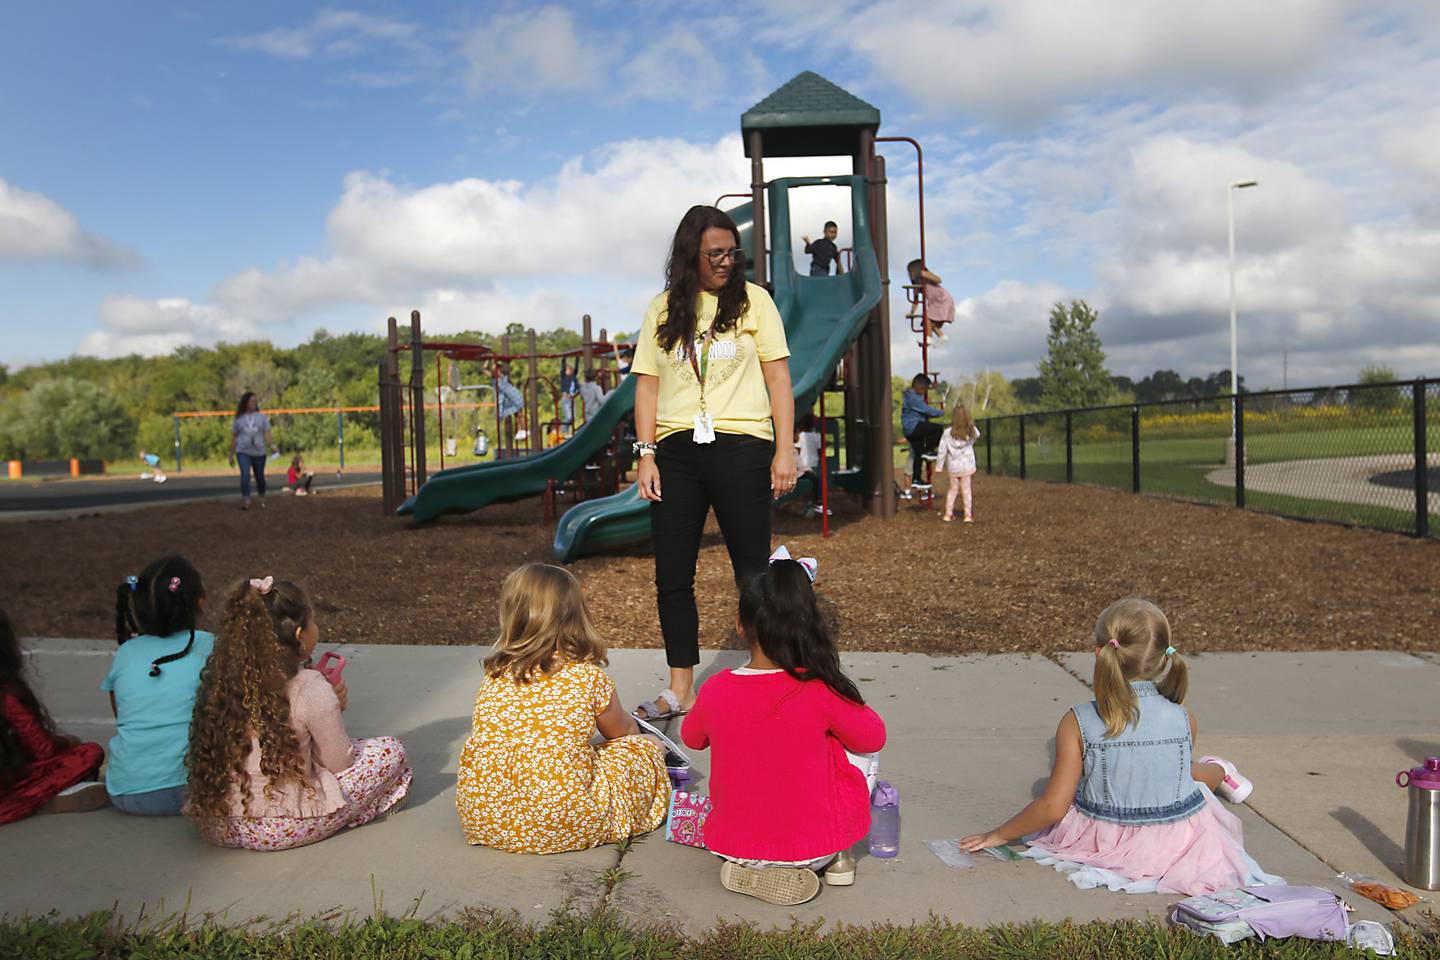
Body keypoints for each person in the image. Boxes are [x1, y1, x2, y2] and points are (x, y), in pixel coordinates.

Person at [959, 598, 1274, 896]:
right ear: (1165, 656)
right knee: (1186, 776)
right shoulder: (1183, 717)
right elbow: (1166, 777)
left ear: (1099, 652)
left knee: (1180, 774)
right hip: (1176, 839)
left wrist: (999, 834)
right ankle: (1220, 771)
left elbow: (1053, 807)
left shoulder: (1076, 721)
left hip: (1107, 836)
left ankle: (1221, 770)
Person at [631, 205, 797, 722]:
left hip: (743, 447)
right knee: (672, 575)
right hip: (676, 453)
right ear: (691, 255)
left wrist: (785, 449)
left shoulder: (755, 302)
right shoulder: (663, 309)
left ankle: (765, 676)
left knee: (751, 571)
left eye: (733, 252)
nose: (727, 261)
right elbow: (648, 386)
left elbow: (778, 380)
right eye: (715, 253)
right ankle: (681, 688)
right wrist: (645, 455)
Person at [681, 551, 886, 905]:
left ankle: (750, 869)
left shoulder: (715, 688)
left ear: (740, 625)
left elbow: (691, 739)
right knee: (857, 750)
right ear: (807, 625)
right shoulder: (818, 688)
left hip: (731, 846)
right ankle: (840, 857)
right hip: (812, 850)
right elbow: (873, 737)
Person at [455, 564, 669, 853]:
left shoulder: (495, 674)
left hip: (487, 819)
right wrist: (649, 744)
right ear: (576, 617)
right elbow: (621, 733)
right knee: (643, 749)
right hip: (563, 821)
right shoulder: (587, 677)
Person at [186, 577, 411, 851]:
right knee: (389, 751)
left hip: (218, 823)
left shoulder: (220, 681)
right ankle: (363, 808)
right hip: (282, 826)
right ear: (298, 635)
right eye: (312, 622)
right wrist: (333, 708)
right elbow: (339, 763)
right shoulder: (311, 687)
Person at [106, 555, 214, 815]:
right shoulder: (210, 645)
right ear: (199, 601)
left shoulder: (125, 653)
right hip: (198, 790)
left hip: (126, 792)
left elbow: (121, 713)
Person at [1, 609, 107, 824]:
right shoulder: (6, 695)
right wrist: (66, 743)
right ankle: (42, 800)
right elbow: (43, 749)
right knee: (88, 753)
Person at [230, 392, 276, 511]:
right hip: (243, 451)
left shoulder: (262, 417)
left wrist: (272, 445)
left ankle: (261, 497)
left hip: (259, 452)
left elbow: (266, 432)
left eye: (255, 401)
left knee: (259, 477)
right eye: (251, 401)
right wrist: (231, 454)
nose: (253, 403)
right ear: (245, 403)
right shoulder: (239, 419)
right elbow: (234, 436)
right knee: (245, 474)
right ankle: (247, 500)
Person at [935, 403, 980, 523]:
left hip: (954, 467)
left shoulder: (947, 433)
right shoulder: (971, 431)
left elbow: (942, 450)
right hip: (967, 465)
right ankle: (967, 515)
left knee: (952, 490)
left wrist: (939, 466)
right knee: (966, 490)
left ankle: (948, 514)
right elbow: (977, 435)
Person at [901, 374, 944, 494]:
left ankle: (916, 479)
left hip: (910, 430)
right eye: (924, 390)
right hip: (914, 427)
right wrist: (941, 412)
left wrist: (932, 386)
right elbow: (926, 410)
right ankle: (928, 450)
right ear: (919, 388)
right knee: (938, 429)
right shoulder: (913, 398)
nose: (924, 392)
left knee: (918, 454)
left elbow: (923, 386)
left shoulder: (912, 394)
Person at [906, 260, 955, 341]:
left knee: (927, 317)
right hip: (936, 302)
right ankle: (941, 336)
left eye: (911, 271)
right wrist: (912, 312)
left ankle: (928, 339)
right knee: (927, 323)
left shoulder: (924, 275)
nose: (910, 274)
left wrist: (926, 274)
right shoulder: (917, 285)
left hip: (941, 298)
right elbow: (916, 301)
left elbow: (938, 280)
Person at [793, 413, 826, 517]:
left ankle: (807, 504)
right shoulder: (817, 436)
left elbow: (797, 450)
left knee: (809, 486)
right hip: (809, 464)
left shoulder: (800, 437)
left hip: (803, 464)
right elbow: (821, 450)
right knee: (814, 484)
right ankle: (813, 504)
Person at [559, 358, 578, 433]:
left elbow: (576, 369)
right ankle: (563, 431)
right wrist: (564, 359)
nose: (568, 371)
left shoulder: (573, 377)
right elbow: (563, 368)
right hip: (565, 399)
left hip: (572, 399)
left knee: (573, 417)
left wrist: (577, 359)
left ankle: (567, 431)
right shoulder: (564, 377)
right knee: (569, 417)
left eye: (569, 369)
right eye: (566, 369)